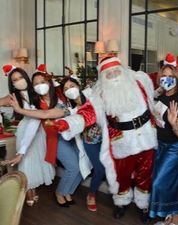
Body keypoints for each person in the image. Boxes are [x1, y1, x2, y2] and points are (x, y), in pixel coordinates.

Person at [57, 56, 157, 222]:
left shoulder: (140, 81)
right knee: (122, 176)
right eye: (109, 75)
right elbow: (86, 114)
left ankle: (143, 205)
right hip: (122, 143)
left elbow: (163, 80)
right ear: (103, 78)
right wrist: (67, 124)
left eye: (116, 71)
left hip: (146, 138)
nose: (114, 76)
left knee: (145, 174)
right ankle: (122, 203)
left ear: (123, 71)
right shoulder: (99, 95)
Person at [9, 65, 90, 207]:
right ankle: (60, 192)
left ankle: (67, 192)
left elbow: (75, 98)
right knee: (73, 167)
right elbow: (38, 121)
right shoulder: (36, 103)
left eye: (42, 82)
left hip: (74, 134)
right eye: (35, 84)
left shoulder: (60, 94)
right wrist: (21, 151)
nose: (40, 86)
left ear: (49, 82)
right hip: (55, 138)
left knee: (83, 165)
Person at [2, 64, 55, 206]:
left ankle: (32, 188)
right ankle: (29, 190)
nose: (18, 81)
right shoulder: (13, 96)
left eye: (20, 77)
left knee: (36, 160)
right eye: (14, 80)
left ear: (26, 77)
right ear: (12, 83)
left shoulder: (37, 92)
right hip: (25, 129)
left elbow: (39, 117)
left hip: (38, 130)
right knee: (25, 161)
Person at [149, 54, 178, 225]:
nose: (167, 79)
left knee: (159, 183)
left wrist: (174, 124)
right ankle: (174, 218)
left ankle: (174, 217)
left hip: (176, 147)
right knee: (173, 182)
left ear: (177, 78)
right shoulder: (159, 98)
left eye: (171, 76)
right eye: (164, 76)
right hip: (160, 146)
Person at [60, 76, 105, 212]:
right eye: (66, 89)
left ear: (78, 86)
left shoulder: (91, 95)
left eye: (71, 86)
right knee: (100, 168)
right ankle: (91, 194)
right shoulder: (70, 109)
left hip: (107, 138)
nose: (70, 90)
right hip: (90, 142)